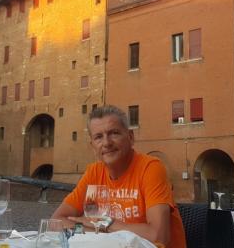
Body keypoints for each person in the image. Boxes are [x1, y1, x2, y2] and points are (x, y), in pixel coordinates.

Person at [51, 105, 186, 247]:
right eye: (98, 137)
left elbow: (158, 235)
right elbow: (56, 221)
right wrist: (96, 229)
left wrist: (107, 223)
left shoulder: (149, 168)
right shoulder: (94, 173)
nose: (106, 143)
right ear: (92, 146)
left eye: (114, 133)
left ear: (131, 137)